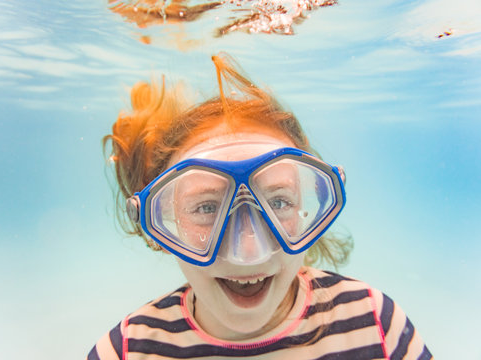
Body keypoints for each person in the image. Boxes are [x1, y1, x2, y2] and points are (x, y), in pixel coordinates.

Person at [87, 53, 432, 359]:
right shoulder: (125, 351)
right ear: (162, 226)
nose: (248, 252)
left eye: (279, 202)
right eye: (207, 208)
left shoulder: (378, 326)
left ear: (305, 210)